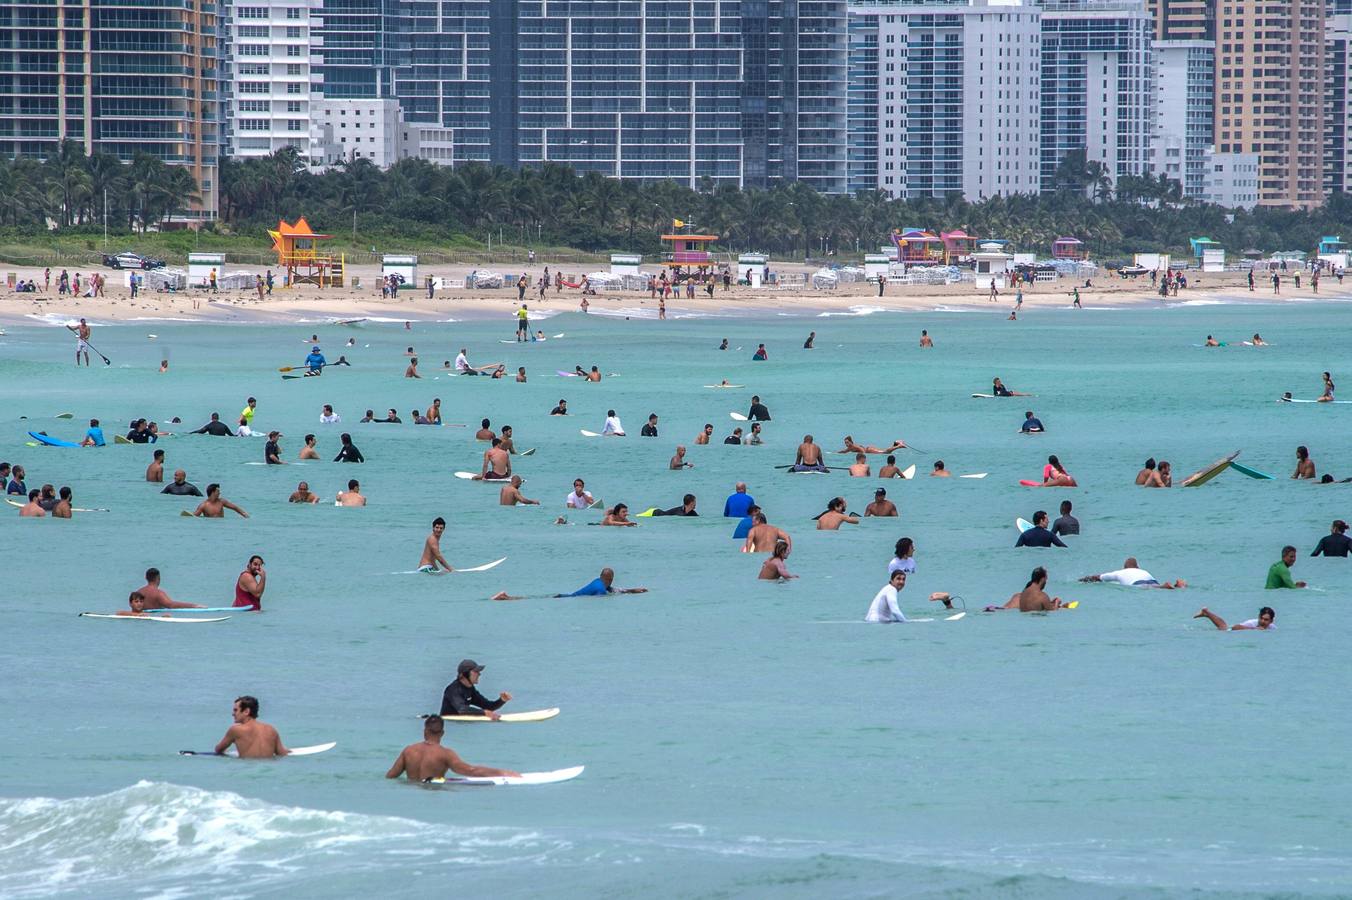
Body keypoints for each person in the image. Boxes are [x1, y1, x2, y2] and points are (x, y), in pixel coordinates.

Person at [386, 716, 520, 781]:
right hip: (432, 797)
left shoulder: (408, 750)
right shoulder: (445, 754)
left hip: (412, 794)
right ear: (442, 733)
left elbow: (390, 776)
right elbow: (471, 770)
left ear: (425, 731)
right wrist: (502, 772)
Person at [214, 696, 289, 758]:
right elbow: (281, 753)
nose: (233, 714)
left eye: (235, 710)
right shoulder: (271, 729)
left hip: (246, 769)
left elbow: (218, 750)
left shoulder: (235, 730)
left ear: (246, 711)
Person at [441, 659, 512, 718]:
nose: (479, 674)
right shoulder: (453, 689)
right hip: (448, 726)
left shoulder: (470, 689)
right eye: (476, 672)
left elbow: (488, 707)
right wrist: (484, 713)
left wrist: (502, 700)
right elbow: (462, 709)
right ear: (464, 675)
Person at [535, 567, 647, 598]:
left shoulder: (599, 581)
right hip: (565, 598)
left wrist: (633, 590)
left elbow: (615, 590)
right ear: (611, 579)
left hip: (563, 596)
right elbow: (600, 597)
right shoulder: (601, 589)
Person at [1079, 557, 1185, 589]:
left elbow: (1099, 577)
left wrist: (1084, 579)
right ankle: (1178, 585)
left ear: (1124, 567)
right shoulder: (1143, 571)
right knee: (1154, 586)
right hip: (1152, 581)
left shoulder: (1120, 572)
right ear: (1137, 567)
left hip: (1138, 583)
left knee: (1149, 588)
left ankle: (1164, 586)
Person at [137, 567, 205, 609]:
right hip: (156, 621)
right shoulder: (158, 593)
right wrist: (194, 606)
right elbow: (171, 605)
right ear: (158, 578)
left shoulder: (138, 592)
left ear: (145, 578)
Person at [1194, 607, 1275, 631]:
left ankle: (1206, 614)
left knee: (1223, 625)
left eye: (1266, 620)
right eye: (1261, 618)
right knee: (1223, 627)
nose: (1263, 621)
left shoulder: (1273, 628)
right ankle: (1207, 612)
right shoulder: (1252, 623)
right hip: (1232, 631)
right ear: (1258, 617)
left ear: (1271, 621)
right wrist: (1254, 629)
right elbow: (1235, 627)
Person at [839, 436, 906, 455]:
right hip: (868, 450)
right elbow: (844, 451)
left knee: (885, 452)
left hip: (869, 450)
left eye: (847, 442)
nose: (846, 444)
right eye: (845, 443)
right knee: (884, 451)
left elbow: (861, 450)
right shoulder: (850, 448)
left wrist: (863, 455)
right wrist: (834, 453)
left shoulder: (853, 446)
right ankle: (895, 444)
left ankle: (899, 446)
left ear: (851, 442)